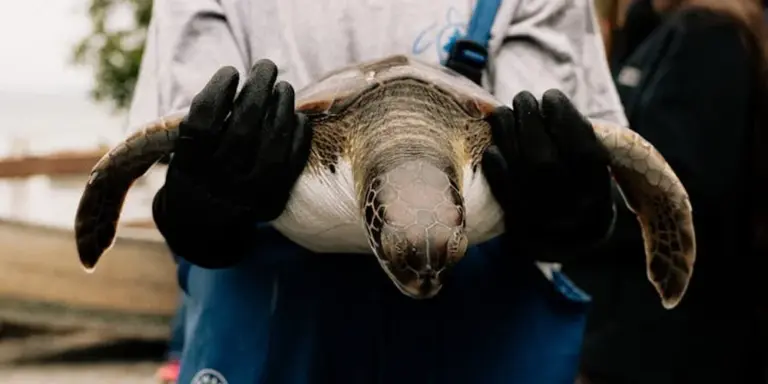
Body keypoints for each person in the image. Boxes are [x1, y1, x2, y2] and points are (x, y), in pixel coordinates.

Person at [126, 1, 629, 383]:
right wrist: (199, 212)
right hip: (271, 314)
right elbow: (182, 132)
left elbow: (574, 135)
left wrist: (573, 216)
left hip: (485, 326)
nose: (421, 281)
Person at [567, 0, 768, 383]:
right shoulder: (665, 32)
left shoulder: (708, 37)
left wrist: (570, 203)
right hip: (633, 334)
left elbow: (681, 188)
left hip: (663, 344)